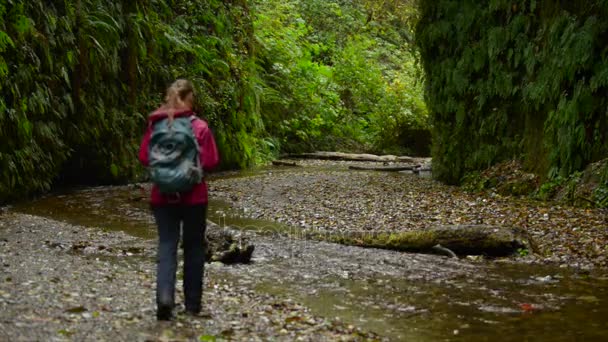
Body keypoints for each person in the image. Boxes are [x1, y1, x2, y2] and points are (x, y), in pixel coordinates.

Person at [138, 79, 219, 320]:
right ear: (191, 99)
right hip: (194, 197)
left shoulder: (157, 125)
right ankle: (192, 305)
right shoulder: (200, 127)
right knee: (194, 248)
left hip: (162, 196)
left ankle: (164, 299)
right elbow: (212, 161)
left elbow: (144, 157)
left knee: (166, 245)